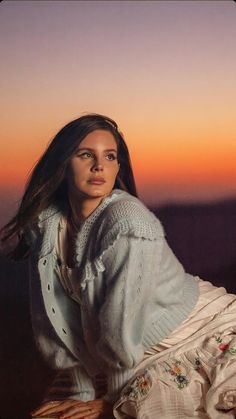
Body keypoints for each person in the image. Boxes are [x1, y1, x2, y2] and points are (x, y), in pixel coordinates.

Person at [1, 113, 236, 419]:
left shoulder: (127, 222)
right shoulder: (46, 227)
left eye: (109, 156)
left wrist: (112, 401)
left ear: (117, 167)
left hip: (198, 334)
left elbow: (121, 329)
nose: (99, 166)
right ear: (62, 163)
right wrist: (80, 387)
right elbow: (53, 326)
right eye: (86, 154)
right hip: (119, 354)